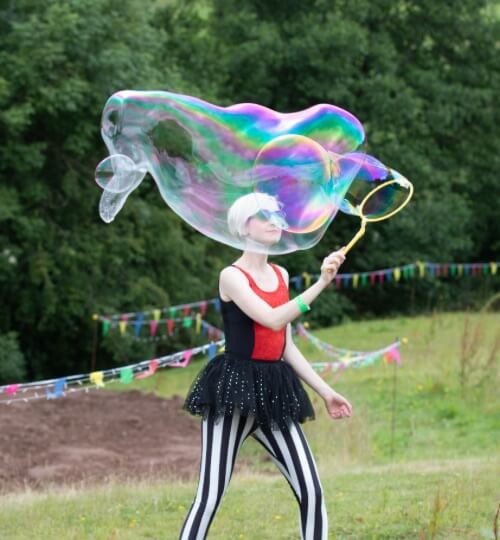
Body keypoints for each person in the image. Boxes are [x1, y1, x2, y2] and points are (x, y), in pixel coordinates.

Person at [180, 193, 352, 540]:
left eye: (277, 214)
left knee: (312, 491)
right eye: (264, 216)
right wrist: (321, 283)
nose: (276, 221)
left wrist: (326, 392)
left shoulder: (281, 273)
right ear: (244, 227)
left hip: (275, 391)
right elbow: (272, 319)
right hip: (234, 392)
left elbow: (285, 345)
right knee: (209, 497)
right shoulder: (232, 276)